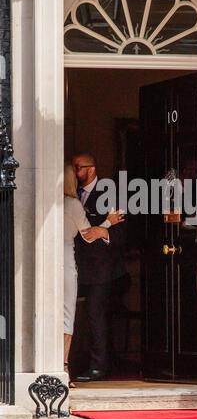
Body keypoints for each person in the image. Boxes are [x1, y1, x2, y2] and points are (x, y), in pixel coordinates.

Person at [64, 163, 123, 387]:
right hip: (70, 266)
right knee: (67, 318)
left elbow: (123, 234)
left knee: (92, 315)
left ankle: (96, 365)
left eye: (79, 167)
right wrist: (107, 222)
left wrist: (106, 229)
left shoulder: (107, 193)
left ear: (91, 169)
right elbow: (89, 235)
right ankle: (63, 368)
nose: (77, 172)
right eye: (74, 169)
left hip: (99, 270)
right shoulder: (72, 203)